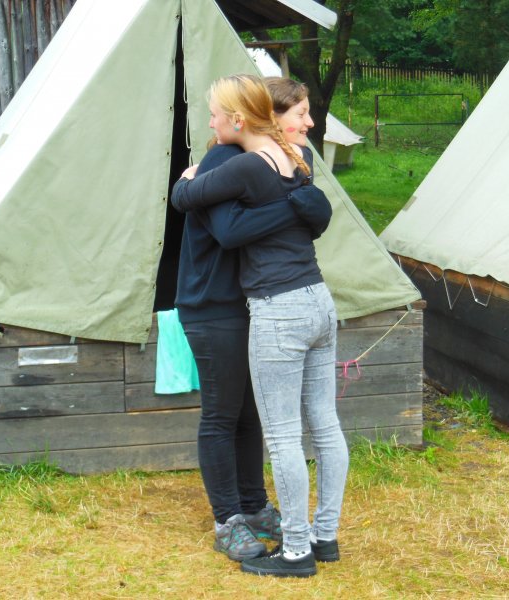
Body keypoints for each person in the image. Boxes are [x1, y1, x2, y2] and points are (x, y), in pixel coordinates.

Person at [172, 74, 349, 578]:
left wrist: (305, 203)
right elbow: (228, 231)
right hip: (214, 304)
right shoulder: (226, 162)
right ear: (266, 117)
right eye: (300, 115)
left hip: (260, 304)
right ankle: (229, 519)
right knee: (223, 414)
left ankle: (255, 506)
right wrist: (295, 205)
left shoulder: (285, 158)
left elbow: (315, 218)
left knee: (254, 413)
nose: (307, 125)